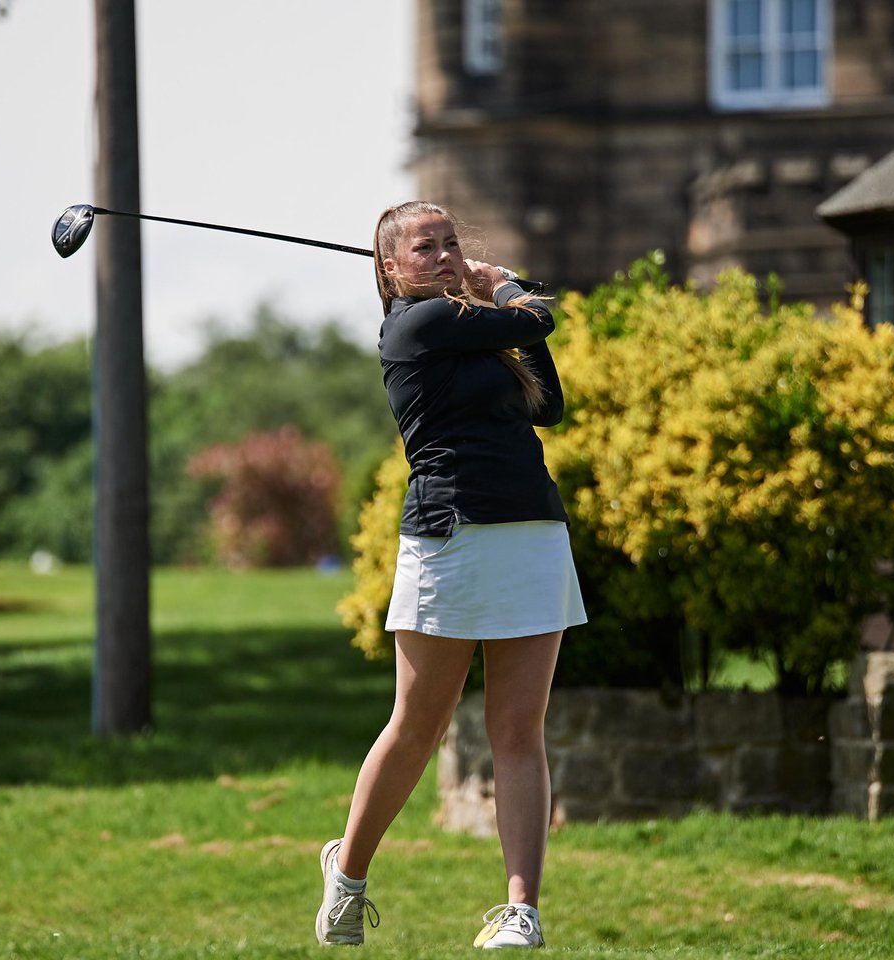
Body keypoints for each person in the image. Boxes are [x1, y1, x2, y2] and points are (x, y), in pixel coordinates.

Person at [315, 201, 587, 949]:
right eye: (424, 246)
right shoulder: (415, 325)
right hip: (452, 538)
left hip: (531, 532)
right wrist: (505, 284)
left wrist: (502, 288)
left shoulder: (480, 332)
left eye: (449, 243)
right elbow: (539, 318)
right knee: (419, 725)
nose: (440, 255)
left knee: (517, 732)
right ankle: (349, 872)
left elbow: (551, 404)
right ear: (390, 269)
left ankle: (521, 910)